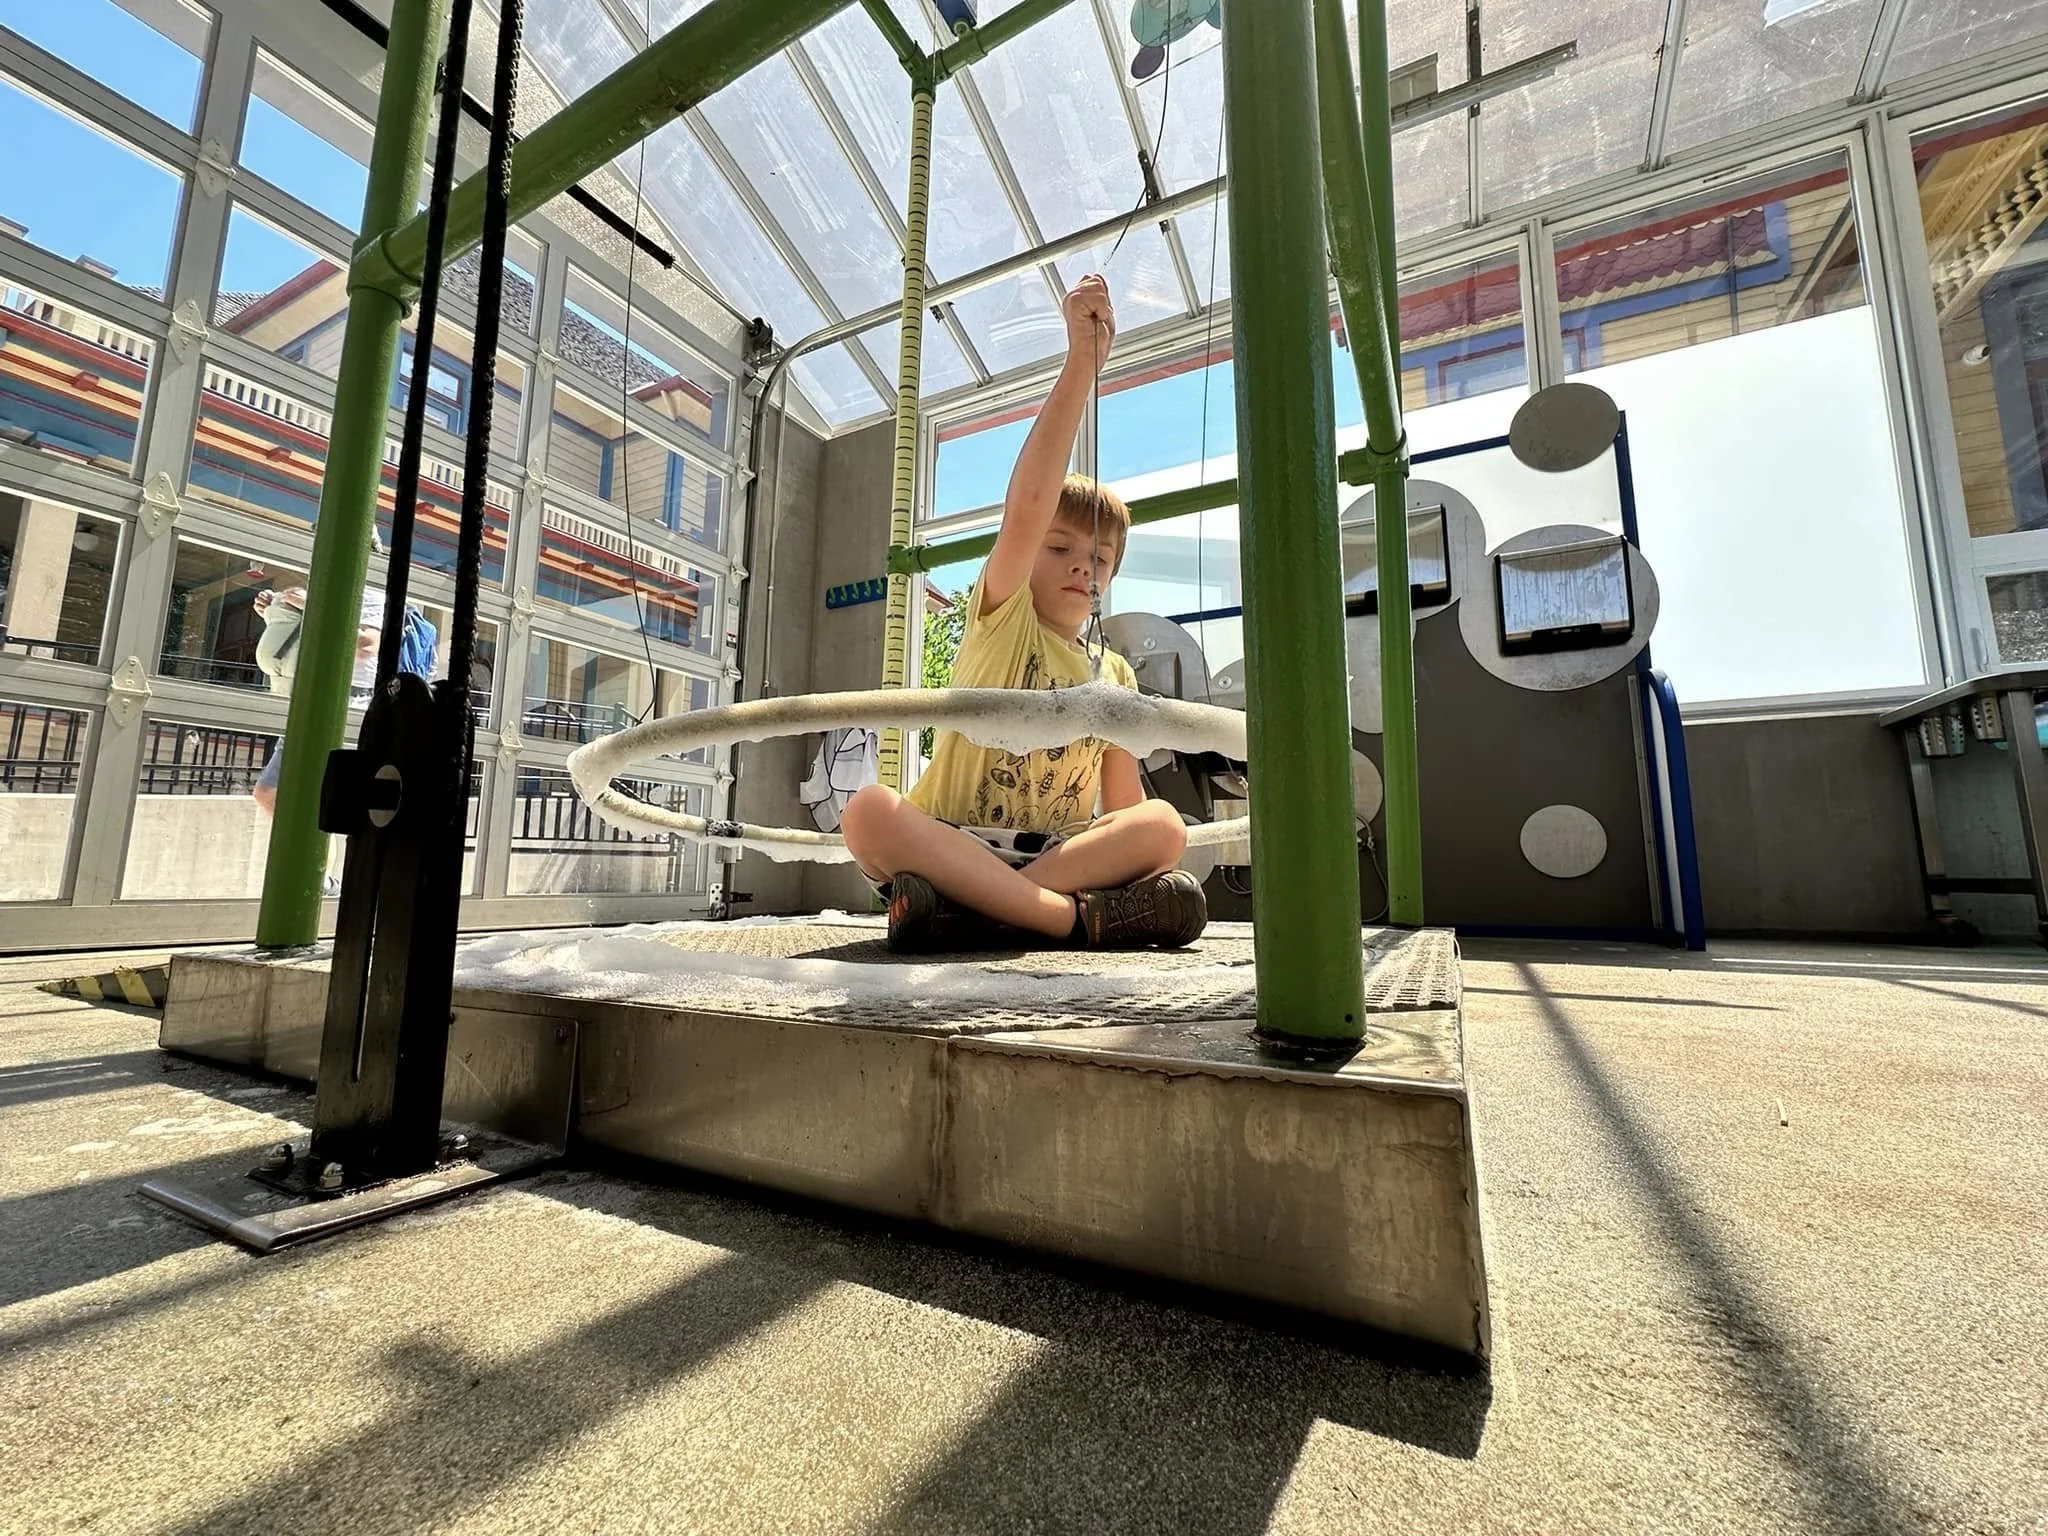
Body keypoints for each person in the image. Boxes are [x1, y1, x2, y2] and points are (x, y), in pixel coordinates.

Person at [839, 274, 1208, 954]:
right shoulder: (1003, 620)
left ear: (1111, 578)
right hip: (950, 845)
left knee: (1165, 826)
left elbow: (1121, 803)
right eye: (1060, 547)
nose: (1082, 566)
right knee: (867, 812)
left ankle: (981, 914)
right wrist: (1080, 364)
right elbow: (1029, 504)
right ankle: (1064, 922)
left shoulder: (1114, 673)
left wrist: (1136, 849)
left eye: (1100, 559)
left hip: (1053, 860)